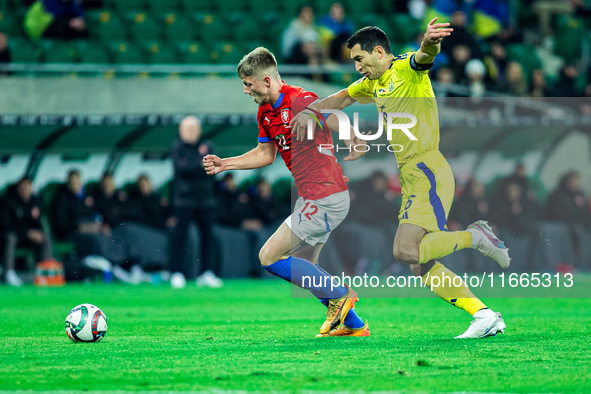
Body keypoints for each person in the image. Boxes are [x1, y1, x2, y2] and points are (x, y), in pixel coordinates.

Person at [291, 22, 510, 339]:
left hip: (428, 170)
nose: (357, 67)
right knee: (419, 263)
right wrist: (310, 111)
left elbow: (424, 56)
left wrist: (429, 42)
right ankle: (484, 315)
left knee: (405, 251)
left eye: (359, 59)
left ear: (379, 53)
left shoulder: (406, 68)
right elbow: (341, 98)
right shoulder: (373, 83)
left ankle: (474, 237)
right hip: (412, 175)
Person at [203, 47, 370, 337]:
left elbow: (328, 113)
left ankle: (341, 295)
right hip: (315, 197)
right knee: (305, 266)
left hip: (324, 196)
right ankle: (354, 325)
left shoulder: (299, 99)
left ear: (266, 80)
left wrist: (350, 135)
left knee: (269, 256)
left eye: (247, 83)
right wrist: (224, 164)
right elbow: (265, 154)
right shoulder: (265, 112)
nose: (245, 90)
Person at [169, 116, 222, 288]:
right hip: (183, 201)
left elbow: (212, 168)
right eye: (186, 129)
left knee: (208, 238)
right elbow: (182, 169)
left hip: (206, 201)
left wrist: (195, 165)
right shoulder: (177, 147)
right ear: (181, 131)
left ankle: (207, 272)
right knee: (180, 238)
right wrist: (199, 165)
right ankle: (177, 273)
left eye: (193, 129)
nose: (190, 133)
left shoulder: (208, 146)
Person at [0, 177, 53, 286]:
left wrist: (37, 233)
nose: (25, 189)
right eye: (23, 187)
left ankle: (45, 271)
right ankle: (9, 272)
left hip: (28, 238)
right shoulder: (8, 202)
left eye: (28, 187)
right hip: (12, 236)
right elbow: (6, 226)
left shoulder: (34, 201)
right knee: (10, 238)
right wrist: (27, 232)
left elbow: (38, 222)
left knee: (45, 237)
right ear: (18, 188)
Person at [24, 0, 88, 40]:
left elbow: (78, 15)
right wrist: (71, 22)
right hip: (42, 27)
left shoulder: (74, 2)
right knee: (63, 26)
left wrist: (79, 22)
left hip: (63, 24)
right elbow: (55, 15)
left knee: (82, 30)